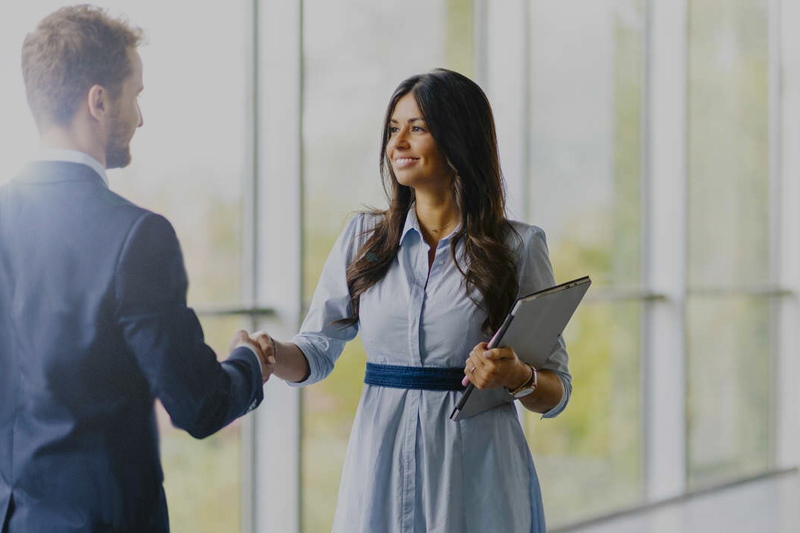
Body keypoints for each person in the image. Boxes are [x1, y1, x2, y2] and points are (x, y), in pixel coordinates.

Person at [252, 68, 572, 532]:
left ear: (460, 138)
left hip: (477, 472)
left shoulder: (518, 247)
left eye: (417, 128)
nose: (397, 143)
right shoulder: (362, 238)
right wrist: (271, 354)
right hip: (379, 464)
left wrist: (517, 377)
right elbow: (317, 349)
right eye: (392, 129)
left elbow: (556, 390)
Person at [0, 6, 272, 532]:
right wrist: (249, 364)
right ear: (99, 101)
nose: (141, 118)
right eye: (136, 95)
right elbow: (197, 405)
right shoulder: (137, 237)